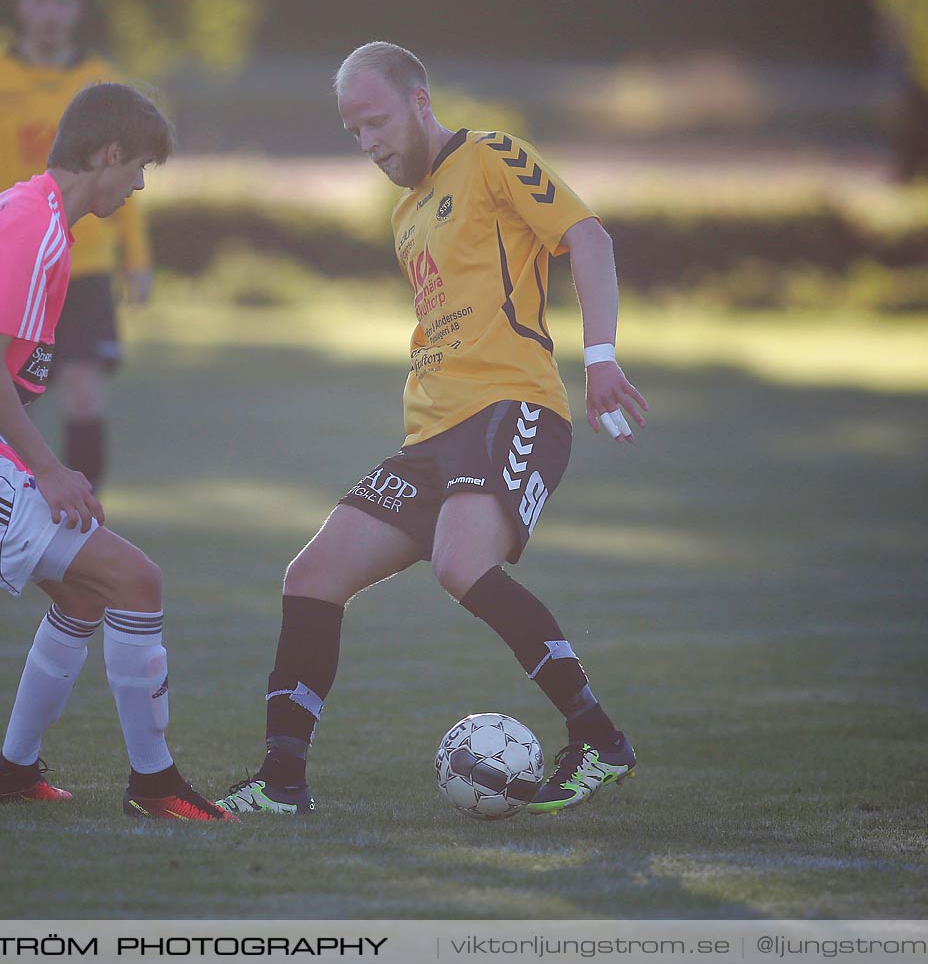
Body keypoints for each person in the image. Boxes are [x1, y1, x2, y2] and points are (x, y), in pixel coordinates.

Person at [218, 42, 649, 817]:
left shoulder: (490, 155)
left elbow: (588, 237)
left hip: (512, 407)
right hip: (431, 437)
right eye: (352, 131)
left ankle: (599, 739)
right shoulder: (406, 214)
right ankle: (282, 784)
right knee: (311, 577)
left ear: (420, 101)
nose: (367, 142)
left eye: (375, 120)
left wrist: (602, 358)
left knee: (460, 565)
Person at [0, 81, 231, 822]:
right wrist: (48, 470)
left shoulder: (37, 214)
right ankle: (156, 785)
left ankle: (14, 773)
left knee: (85, 595)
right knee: (138, 582)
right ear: (108, 155)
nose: (140, 185)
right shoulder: (33, 228)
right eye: (139, 166)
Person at [0, 0, 151, 491]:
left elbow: (127, 176)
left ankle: (85, 514)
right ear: (21, 8)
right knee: (2, 391)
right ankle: (0, 499)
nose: (51, 12)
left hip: (87, 263)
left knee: (83, 390)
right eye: (39, 0)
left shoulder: (100, 81)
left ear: (77, 11)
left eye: (62, 1)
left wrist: (137, 258)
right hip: (15, 262)